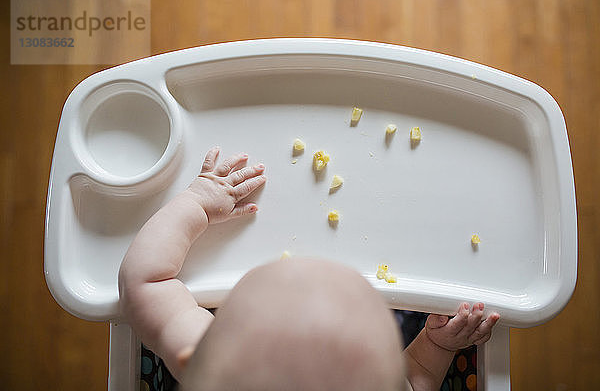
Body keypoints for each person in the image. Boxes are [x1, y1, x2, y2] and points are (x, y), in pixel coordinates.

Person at [119, 147, 500, 391]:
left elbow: (147, 281)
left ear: (194, 357)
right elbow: (418, 376)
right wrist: (435, 343)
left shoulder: (220, 371)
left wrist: (197, 205)